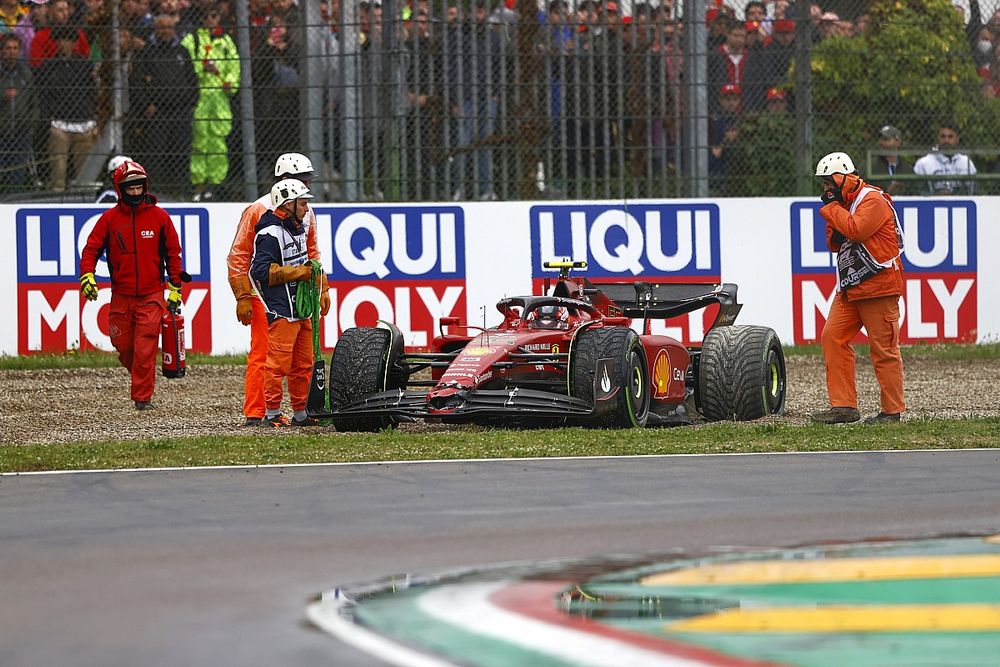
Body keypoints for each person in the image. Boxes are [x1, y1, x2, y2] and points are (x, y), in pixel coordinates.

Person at [227, 153, 329, 427]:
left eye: (308, 179)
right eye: (302, 179)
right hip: (265, 293)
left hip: (298, 295)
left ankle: (300, 411)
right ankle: (256, 413)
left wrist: (322, 288)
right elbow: (239, 256)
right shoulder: (258, 210)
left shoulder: (306, 209)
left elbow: (313, 252)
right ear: (285, 181)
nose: (307, 184)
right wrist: (242, 296)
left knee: (301, 358)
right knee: (265, 353)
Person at [79, 160, 184, 410]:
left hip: (152, 295)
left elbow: (173, 254)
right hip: (121, 296)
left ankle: (142, 398)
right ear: (120, 189)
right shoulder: (109, 219)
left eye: (139, 187)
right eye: (130, 188)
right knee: (124, 346)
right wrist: (87, 275)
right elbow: (91, 249)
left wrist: (175, 288)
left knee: (145, 346)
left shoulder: (160, 217)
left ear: (145, 187)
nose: (136, 193)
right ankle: (142, 374)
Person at [811, 151, 905, 425]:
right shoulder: (842, 203)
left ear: (843, 179)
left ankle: (891, 411)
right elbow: (834, 242)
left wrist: (832, 209)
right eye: (824, 184)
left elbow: (857, 229)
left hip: (879, 286)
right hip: (852, 287)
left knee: (884, 350)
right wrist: (835, 211)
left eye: (829, 182)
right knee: (833, 337)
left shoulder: (872, 199)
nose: (825, 189)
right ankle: (843, 407)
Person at [249, 178, 325, 428]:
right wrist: (298, 273)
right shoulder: (269, 233)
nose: (306, 208)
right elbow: (260, 271)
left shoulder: (299, 226)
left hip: (301, 308)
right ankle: (271, 414)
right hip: (282, 309)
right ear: (288, 204)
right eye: (302, 203)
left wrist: (320, 286)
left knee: (304, 364)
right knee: (277, 365)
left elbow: (310, 260)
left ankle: (301, 413)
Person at [127, 13, 198, 199]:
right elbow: (136, 83)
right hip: (157, 113)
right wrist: (146, 105)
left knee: (181, 153)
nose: (166, 31)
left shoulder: (182, 51)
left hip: (181, 112)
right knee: (156, 154)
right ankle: (155, 192)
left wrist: (191, 104)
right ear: (156, 29)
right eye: (162, 27)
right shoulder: (146, 52)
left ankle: (180, 191)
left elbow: (193, 82)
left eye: (169, 27)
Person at [181, 6, 240, 201]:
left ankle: (214, 185)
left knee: (218, 144)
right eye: (206, 16)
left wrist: (221, 76)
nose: (211, 19)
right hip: (199, 98)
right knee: (198, 144)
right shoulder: (193, 40)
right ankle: (197, 184)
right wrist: (201, 69)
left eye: (214, 15)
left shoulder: (226, 42)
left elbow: (234, 70)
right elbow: (185, 64)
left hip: (220, 101)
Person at [37, 25, 96, 193]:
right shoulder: (49, 66)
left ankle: (84, 196)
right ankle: (57, 195)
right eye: (62, 40)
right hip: (59, 123)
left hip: (83, 122)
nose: (66, 44)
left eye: (69, 40)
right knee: (58, 168)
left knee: (84, 170)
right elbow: (45, 95)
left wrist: (92, 118)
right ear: (58, 42)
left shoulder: (85, 66)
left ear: (74, 43)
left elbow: (92, 92)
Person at [0, 32, 37, 193]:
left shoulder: (26, 74)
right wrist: (3, 95)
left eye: (15, 48)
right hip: (1, 134)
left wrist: (30, 127)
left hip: (21, 134)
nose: (12, 52)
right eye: (8, 48)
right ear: (2, 51)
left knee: (17, 176)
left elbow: (34, 104)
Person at [913, 121, 977, 195]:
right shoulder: (923, 163)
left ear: (957, 139)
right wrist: (937, 196)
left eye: (950, 137)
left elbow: (974, 192)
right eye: (943, 136)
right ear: (938, 138)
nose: (946, 140)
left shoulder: (966, 162)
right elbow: (918, 193)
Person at [868, 124, 914, 197]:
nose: (882, 143)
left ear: (898, 142)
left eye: (886, 139)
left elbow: (916, 193)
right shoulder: (870, 166)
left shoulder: (907, 169)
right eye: (881, 139)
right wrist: (887, 192)